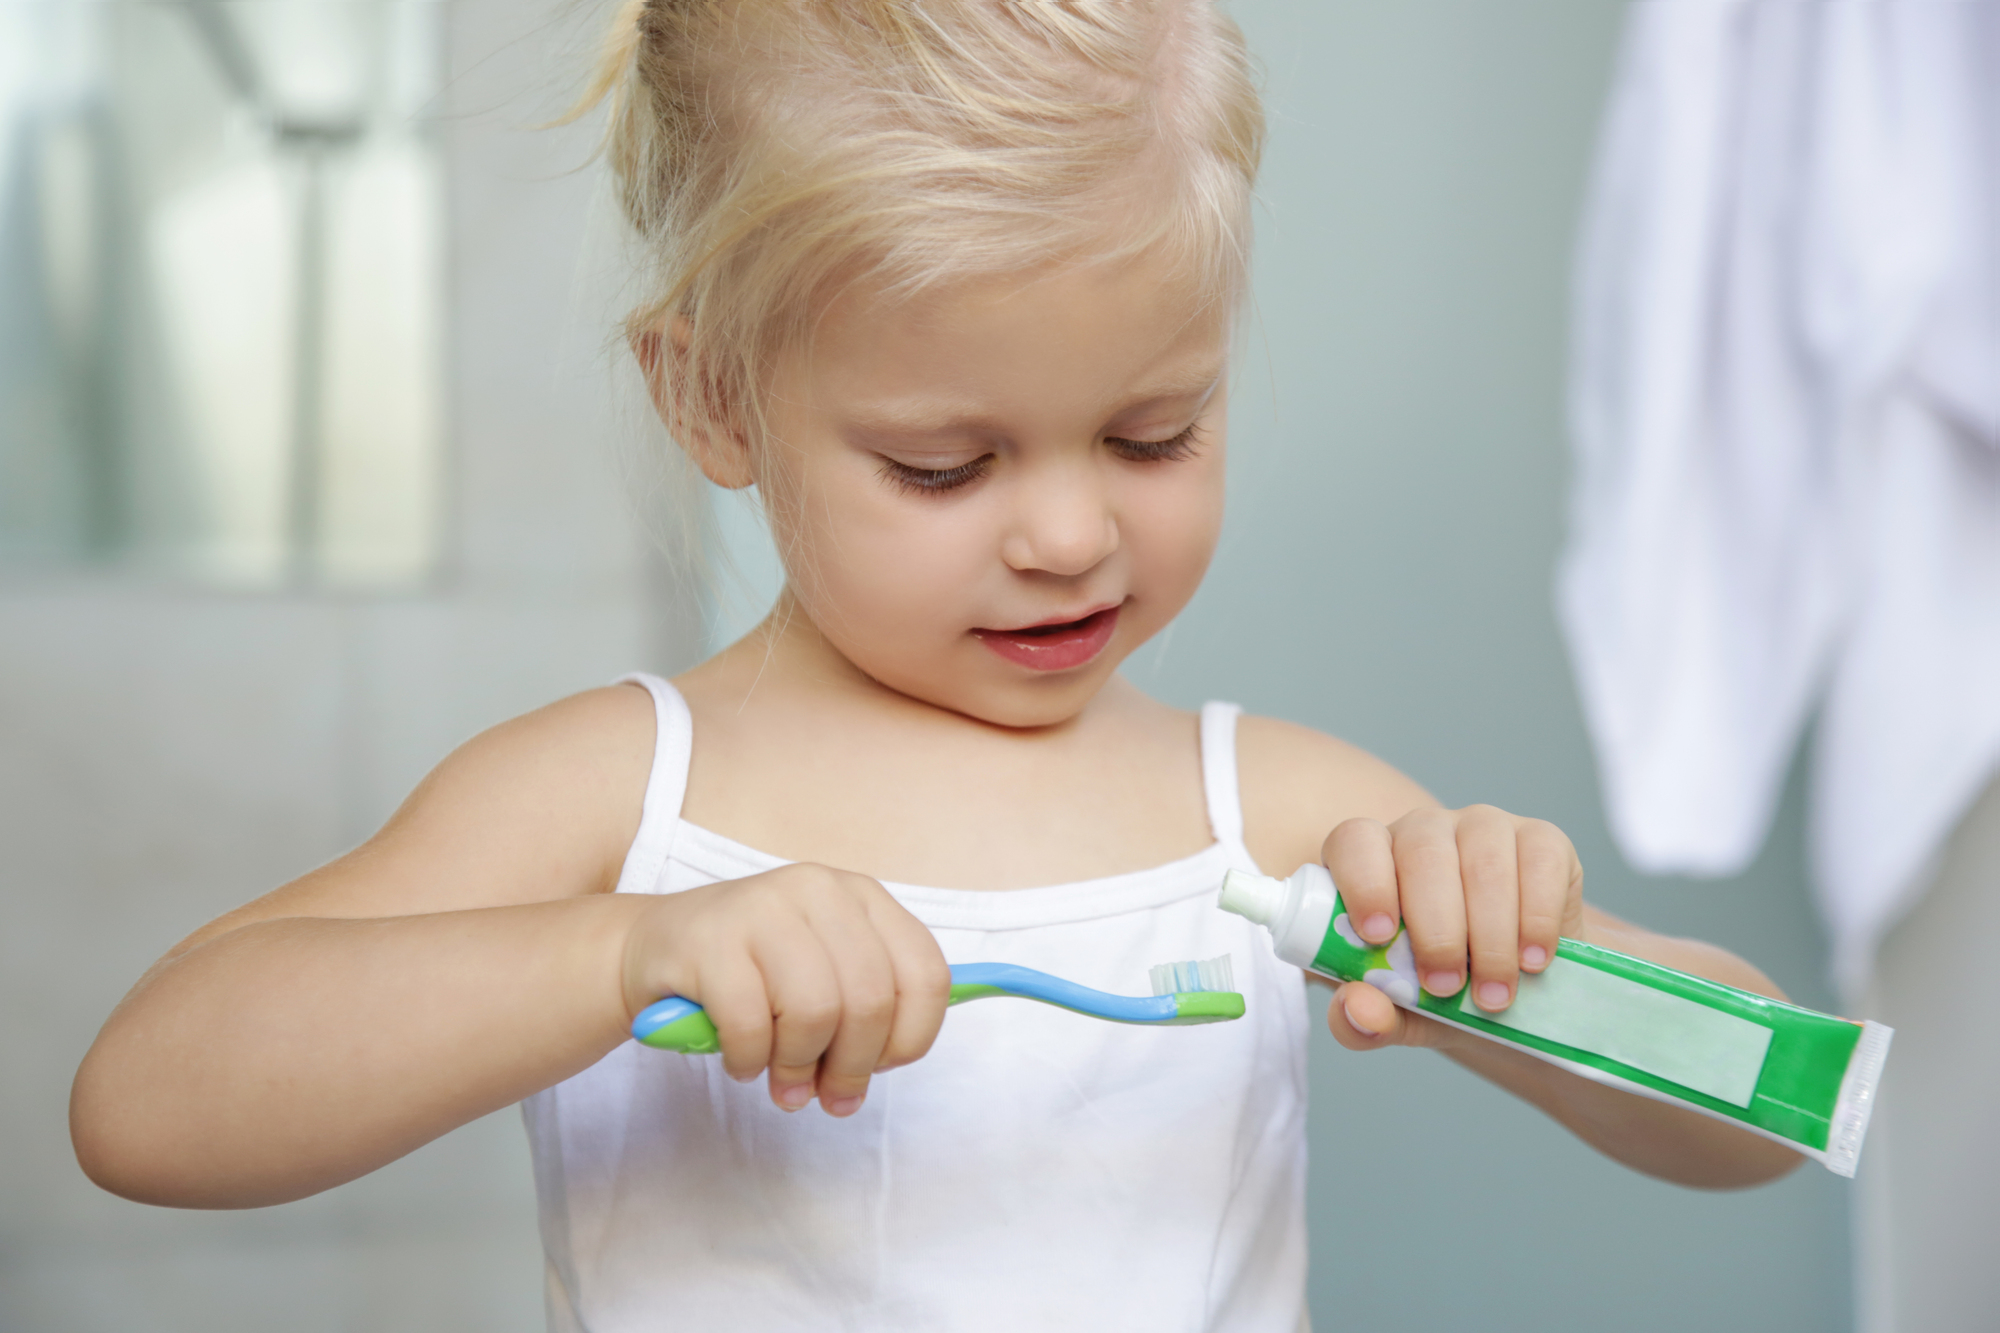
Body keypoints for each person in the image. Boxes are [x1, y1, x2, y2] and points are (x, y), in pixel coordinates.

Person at [69, 2, 1802, 1328]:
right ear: (714, 401)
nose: (1068, 535)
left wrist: (1525, 953)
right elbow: (147, 1104)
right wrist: (618, 950)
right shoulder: (620, 799)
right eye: (945, 466)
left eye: (1153, 430)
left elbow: (1766, 1112)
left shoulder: (1278, 817)